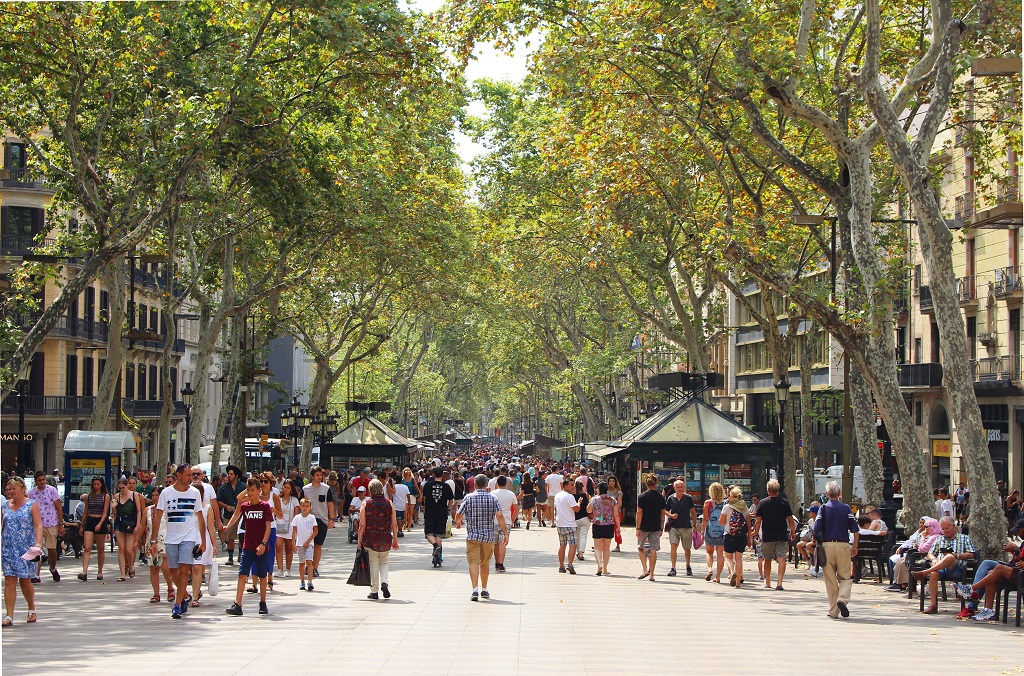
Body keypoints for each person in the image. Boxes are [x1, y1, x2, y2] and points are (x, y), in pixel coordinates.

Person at [151, 464, 206, 619]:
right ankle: (185, 595)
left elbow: (200, 517)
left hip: (188, 537)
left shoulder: (195, 493)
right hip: (171, 537)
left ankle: (177, 604)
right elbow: (159, 516)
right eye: (188, 475)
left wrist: (203, 541)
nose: (191, 478)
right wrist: (153, 540)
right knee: (172, 570)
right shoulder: (166, 493)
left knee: (183, 569)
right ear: (179, 475)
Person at [222, 477, 272, 616]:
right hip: (247, 545)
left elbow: (268, 527)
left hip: (261, 546)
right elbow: (236, 514)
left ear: (259, 491)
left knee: (262, 575)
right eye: (248, 490)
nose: (249, 493)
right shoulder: (245, 506)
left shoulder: (265, 506)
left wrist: (263, 543)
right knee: (242, 574)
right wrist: (228, 526)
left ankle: (263, 602)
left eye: (252, 490)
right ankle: (237, 604)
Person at [455, 474, 508, 601]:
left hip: (473, 536)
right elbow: (500, 516)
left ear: (474, 485)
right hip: (489, 536)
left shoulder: (468, 497)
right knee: (485, 563)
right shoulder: (493, 498)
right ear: (486, 485)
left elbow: (458, 514)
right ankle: (484, 589)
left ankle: (474, 590)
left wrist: (458, 522)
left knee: (473, 562)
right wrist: (505, 532)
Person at [911, 516, 976, 614]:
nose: (945, 531)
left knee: (949, 557)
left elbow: (971, 554)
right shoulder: (939, 539)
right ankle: (933, 605)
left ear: (953, 527)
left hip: (957, 569)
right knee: (933, 574)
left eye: (947, 528)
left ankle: (925, 572)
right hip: (941, 568)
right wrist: (933, 559)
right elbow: (930, 553)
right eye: (943, 529)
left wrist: (956, 555)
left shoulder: (964, 538)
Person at [813, 481, 859, 619]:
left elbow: (816, 529)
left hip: (827, 546)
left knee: (830, 579)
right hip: (843, 545)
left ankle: (833, 610)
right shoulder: (846, 508)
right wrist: (855, 546)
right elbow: (855, 530)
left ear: (827, 494)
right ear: (840, 494)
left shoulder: (823, 508)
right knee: (845, 576)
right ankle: (842, 599)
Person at [2, 477, 43, 626]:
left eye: (14, 488)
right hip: (8, 547)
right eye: (8, 489)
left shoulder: (32, 505)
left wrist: (38, 544)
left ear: (22, 489)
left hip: (27, 548)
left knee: (25, 581)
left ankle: (31, 608)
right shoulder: (5, 506)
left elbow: (38, 525)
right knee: (9, 579)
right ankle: (9, 615)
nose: (10, 492)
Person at [955, 538, 1024, 620]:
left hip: (1021, 575)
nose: (1018, 534)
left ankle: (971, 590)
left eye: (1019, 530)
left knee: (999, 568)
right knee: (991, 573)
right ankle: (988, 610)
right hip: (1018, 572)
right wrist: (1016, 556)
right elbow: (1017, 562)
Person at [358, 479, 399, 600]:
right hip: (385, 537)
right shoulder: (389, 503)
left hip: (370, 538)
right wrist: (395, 539)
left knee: (373, 564)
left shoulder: (365, 504)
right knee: (384, 561)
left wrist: (359, 539)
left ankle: (374, 591)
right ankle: (384, 582)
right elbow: (394, 524)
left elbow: (362, 524)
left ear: (370, 490)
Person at [753, 479, 796, 590]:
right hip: (781, 535)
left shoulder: (763, 503)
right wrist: (793, 532)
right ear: (778, 490)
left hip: (768, 536)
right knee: (782, 558)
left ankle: (767, 581)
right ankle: (779, 582)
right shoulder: (784, 502)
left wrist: (756, 533)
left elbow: (758, 521)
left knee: (767, 559)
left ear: (768, 490)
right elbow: (791, 520)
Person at [27, 471, 62, 583]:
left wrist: (61, 524)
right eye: (39, 480)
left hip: (51, 523)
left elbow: (59, 507)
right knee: (37, 549)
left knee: (52, 549)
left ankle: (53, 568)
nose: (42, 482)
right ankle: (36, 574)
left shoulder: (51, 490)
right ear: (36, 481)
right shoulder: (31, 493)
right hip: (37, 525)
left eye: (43, 480)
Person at [302, 467, 336, 577]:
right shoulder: (305, 489)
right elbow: (300, 504)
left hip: (322, 520)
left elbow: (330, 504)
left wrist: (331, 519)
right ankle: (308, 565)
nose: (319, 477)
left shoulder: (326, 489)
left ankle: (314, 568)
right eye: (317, 475)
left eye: (320, 475)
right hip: (307, 519)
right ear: (312, 476)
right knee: (307, 544)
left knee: (317, 545)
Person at [189, 479, 218, 608]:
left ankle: (194, 598)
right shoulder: (187, 507)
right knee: (188, 569)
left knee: (197, 568)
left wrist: (214, 543)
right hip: (188, 539)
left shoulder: (207, 508)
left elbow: (211, 527)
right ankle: (197, 590)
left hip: (202, 540)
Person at [142, 486, 174, 603]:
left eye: (157, 495)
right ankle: (156, 593)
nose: (155, 498)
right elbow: (142, 525)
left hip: (165, 540)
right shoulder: (148, 510)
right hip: (151, 541)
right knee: (154, 568)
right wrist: (136, 540)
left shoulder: (168, 509)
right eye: (153, 495)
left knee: (166, 568)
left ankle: (170, 589)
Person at [78, 476, 111, 581]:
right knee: (87, 547)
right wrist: (82, 526)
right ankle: (84, 571)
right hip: (90, 521)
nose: (96, 486)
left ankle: (100, 571)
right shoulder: (88, 496)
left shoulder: (105, 496)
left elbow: (105, 512)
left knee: (100, 549)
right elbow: (86, 511)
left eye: (98, 484)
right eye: (94, 484)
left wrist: (100, 524)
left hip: (100, 521)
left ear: (101, 485)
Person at [111, 478, 144, 581]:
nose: (121, 490)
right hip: (120, 523)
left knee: (129, 549)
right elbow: (115, 514)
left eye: (123, 488)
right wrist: (113, 507)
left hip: (131, 522)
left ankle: (131, 566)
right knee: (121, 548)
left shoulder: (134, 496)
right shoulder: (117, 496)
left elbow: (138, 511)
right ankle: (122, 574)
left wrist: (138, 524)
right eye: (119, 488)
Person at [635, 473, 666, 581]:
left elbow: (639, 513)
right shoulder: (660, 497)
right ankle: (652, 574)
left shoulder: (642, 496)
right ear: (656, 484)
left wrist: (637, 527)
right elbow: (662, 513)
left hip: (644, 526)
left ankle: (645, 569)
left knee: (641, 547)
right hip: (656, 526)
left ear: (646, 484)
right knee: (653, 550)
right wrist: (662, 526)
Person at [422, 467, 454, 567]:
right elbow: (451, 500)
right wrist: (448, 509)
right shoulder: (446, 486)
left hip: (430, 512)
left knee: (429, 533)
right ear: (442, 475)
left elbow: (424, 498)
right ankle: (438, 555)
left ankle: (435, 546)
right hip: (442, 512)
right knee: (439, 534)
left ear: (434, 475)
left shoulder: (427, 485)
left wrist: (424, 509)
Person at [719, 485, 751, 587]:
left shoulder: (727, 507)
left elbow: (722, 522)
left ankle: (732, 572)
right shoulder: (745, 507)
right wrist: (749, 538)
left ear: (732, 496)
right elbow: (749, 525)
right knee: (739, 559)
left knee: (728, 557)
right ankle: (738, 581)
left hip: (729, 535)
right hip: (741, 536)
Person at [665, 479, 697, 577]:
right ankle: (673, 568)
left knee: (687, 548)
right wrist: (670, 515)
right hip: (674, 527)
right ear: (674, 488)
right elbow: (665, 510)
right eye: (677, 487)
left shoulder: (688, 498)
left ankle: (688, 565)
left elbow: (693, 512)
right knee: (673, 546)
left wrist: (694, 525)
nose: (679, 489)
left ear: (684, 487)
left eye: (681, 487)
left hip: (686, 526)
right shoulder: (670, 498)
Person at [216, 466, 245, 566]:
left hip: (241, 515)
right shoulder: (223, 487)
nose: (229, 475)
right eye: (228, 473)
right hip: (228, 515)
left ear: (236, 476)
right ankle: (230, 557)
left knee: (242, 536)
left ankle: (241, 555)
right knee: (229, 537)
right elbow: (218, 501)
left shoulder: (243, 486)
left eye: (231, 474)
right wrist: (226, 506)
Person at [554, 475, 582, 574]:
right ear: (565, 486)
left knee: (562, 545)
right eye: (571, 485)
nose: (573, 487)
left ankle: (561, 566)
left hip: (560, 524)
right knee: (573, 545)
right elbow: (576, 509)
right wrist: (579, 503)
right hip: (570, 524)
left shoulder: (557, 495)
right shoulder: (569, 496)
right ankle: (570, 564)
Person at [588, 481, 617, 575]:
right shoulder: (613, 500)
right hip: (609, 524)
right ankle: (605, 568)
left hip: (597, 524)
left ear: (599, 489)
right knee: (606, 548)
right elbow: (616, 514)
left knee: (597, 547)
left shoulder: (594, 499)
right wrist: (618, 527)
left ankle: (599, 565)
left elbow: (588, 510)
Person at [703, 482, 727, 582]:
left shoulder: (708, 503)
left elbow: (705, 519)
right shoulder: (726, 503)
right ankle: (718, 576)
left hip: (710, 530)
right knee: (720, 554)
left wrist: (702, 532)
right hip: (722, 531)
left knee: (709, 552)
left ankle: (710, 569)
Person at [292, 498, 318, 591]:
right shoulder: (297, 518)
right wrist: (293, 543)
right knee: (301, 563)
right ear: (300, 506)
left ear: (310, 507)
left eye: (307, 506)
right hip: (300, 543)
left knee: (309, 561)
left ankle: (310, 581)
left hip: (309, 543)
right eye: (303, 506)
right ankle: (302, 581)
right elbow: (294, 531)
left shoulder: (312, 518)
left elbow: (315, 531)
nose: (305, 508)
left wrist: (308, 541)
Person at [275, 480, 300, 578]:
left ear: (291, 489)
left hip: (290, 525)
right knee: (279, 547)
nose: (285, 489)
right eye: (284, 487)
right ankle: (280, 569)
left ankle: (288, 569)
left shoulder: (294, 500)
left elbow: (296, 514)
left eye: (288, 488)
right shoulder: (278, 498)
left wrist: (295, 527)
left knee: (289, 548)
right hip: (279, 524)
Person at [572, 477, 591, 562]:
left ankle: (577, 551)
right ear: (583, 486)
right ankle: (581, 553)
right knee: (583, 536)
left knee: (577, 537)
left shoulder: (572, 496)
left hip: (575, 519)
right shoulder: (586, 495)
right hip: (585, 518)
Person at [607, 475, 624, 551]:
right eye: (610, 481)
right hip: (607, 513)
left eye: (613, 481)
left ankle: (618, 545)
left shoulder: (618, 492)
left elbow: (620, 503)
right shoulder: (606, 491)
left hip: (616, 513)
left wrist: (615, 509)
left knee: (617, 529)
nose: (611, 483)